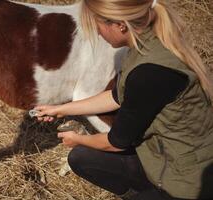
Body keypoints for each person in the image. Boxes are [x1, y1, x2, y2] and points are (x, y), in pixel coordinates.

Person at [34, 0, 213, 199]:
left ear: (120, 25)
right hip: (159, 159)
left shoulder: (150, 73)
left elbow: (116, 142)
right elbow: (116, 97)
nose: (96, 32)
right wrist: (61, 109)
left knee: (82, 150)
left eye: (97, 24)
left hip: (186, 183)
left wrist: (78, 139)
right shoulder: (143, 48)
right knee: (81, 158)